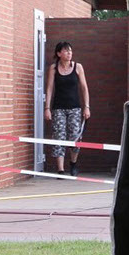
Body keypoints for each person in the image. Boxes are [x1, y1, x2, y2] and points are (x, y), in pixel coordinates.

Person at [44, 41, 90, 176]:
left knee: (75, 136)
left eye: (70, 50)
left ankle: (73, 163)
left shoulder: (78, 67)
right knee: (59, 135)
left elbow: (84, 88)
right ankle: (61, 169)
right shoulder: (53, 68)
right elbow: (49, 88)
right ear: (59, 53)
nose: (69, 53)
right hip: (58, 108)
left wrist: (87, 107)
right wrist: (47, 108)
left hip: (75, 108)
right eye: (66, 51)